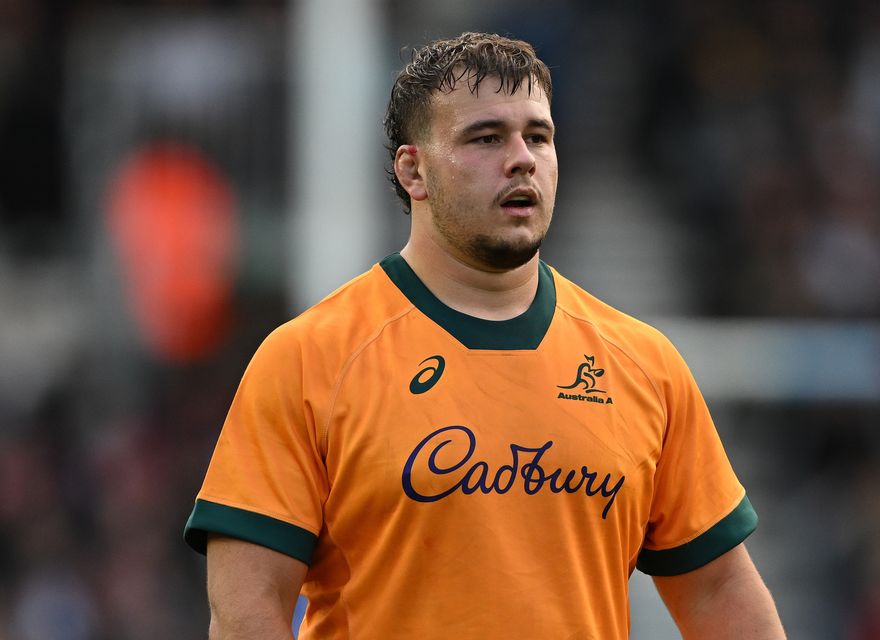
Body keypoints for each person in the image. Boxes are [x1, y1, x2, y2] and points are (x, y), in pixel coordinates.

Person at [184, 32, 786, 639]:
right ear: (414, 171)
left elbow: (718, 591)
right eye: (486, 137)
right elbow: (245, 609)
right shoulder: (308, 359)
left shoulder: (644, 364)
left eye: (539, 136)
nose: (522, 157)